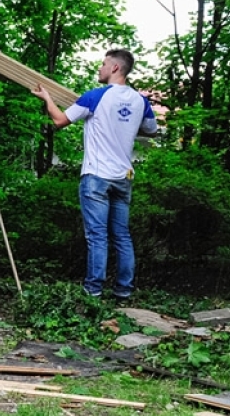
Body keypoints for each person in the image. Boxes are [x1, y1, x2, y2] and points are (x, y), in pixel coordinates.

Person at [31, 49, 159, 299]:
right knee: (121, 235)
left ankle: (93, 292)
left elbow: (59, 121)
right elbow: (152, 130)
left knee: (97, 235)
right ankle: (123, 291)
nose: (99, 68)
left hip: (97, 177)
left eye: (103, 64)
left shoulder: (96, 97)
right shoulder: (140, 101)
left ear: (114, 68)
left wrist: (47, 98)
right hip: (123, 178)